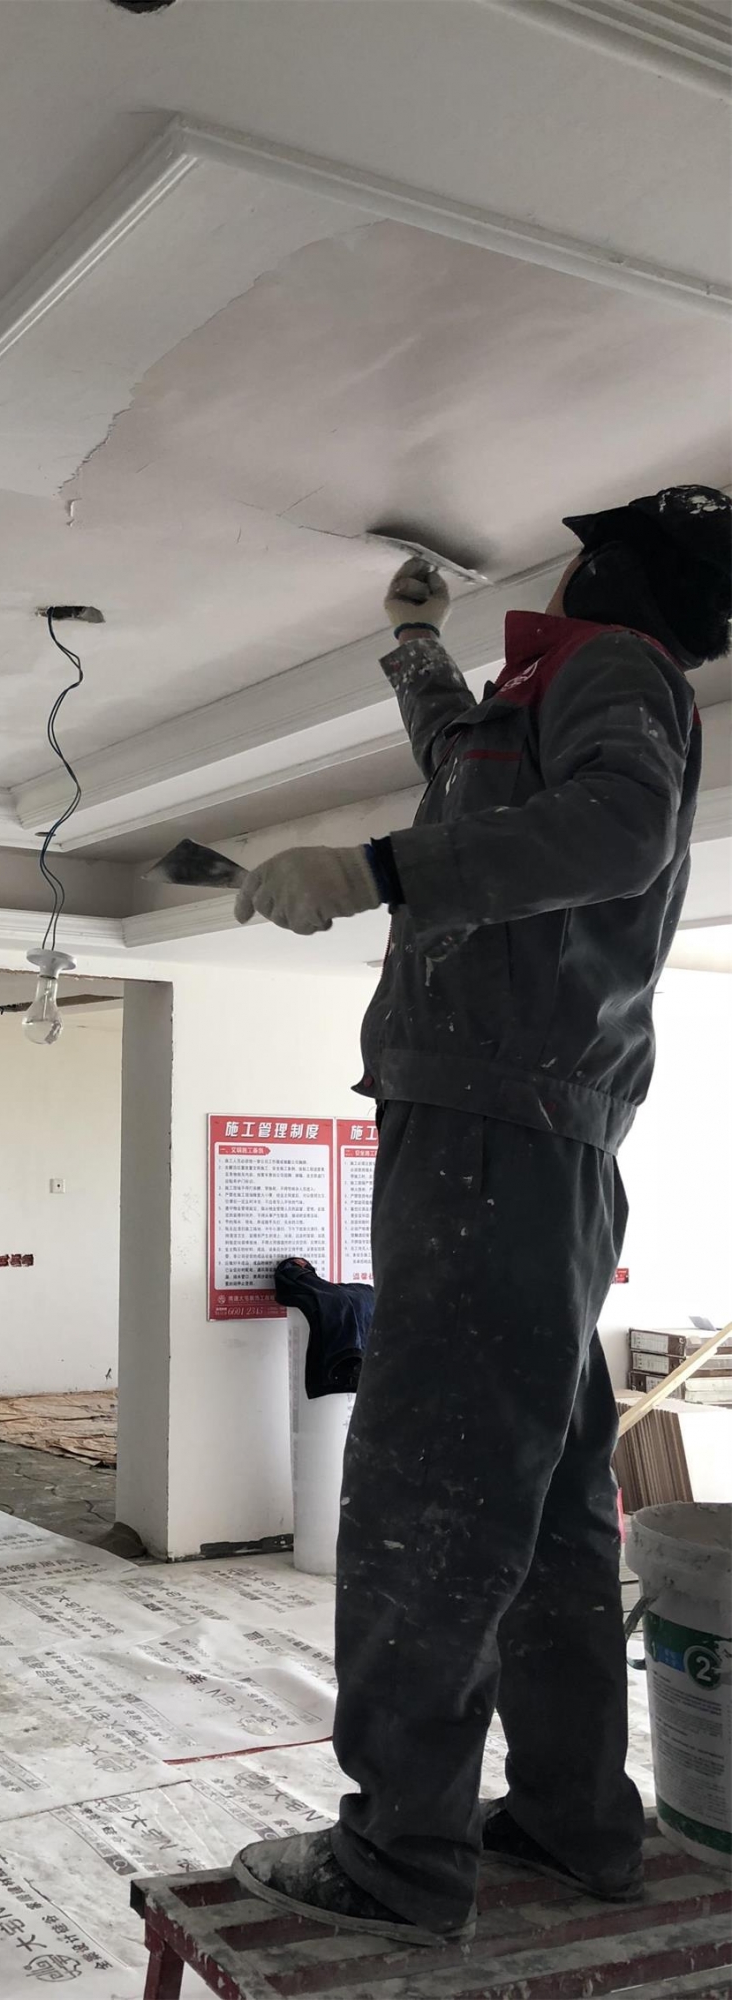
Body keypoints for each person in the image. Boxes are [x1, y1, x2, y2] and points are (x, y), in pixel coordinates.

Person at [228, 484, 730, 1945]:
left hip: (487, 1134)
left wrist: (375, 870)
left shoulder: (613, 668)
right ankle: (574, 1822)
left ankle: (397, 1859)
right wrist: (413, 652)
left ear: (605, 571)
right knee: (545, 1498)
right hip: (529, 1138)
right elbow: (469, 766)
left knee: (426, 1497)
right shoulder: (559, 692)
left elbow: (619, 831)